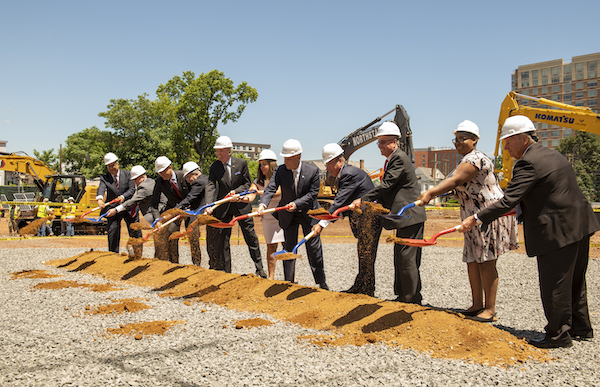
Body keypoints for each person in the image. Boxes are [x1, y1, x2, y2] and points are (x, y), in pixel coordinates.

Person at [459, 115, 600, 348]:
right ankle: (581, 328)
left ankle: (558, 336)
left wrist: (475, 218)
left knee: (554, 284)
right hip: (581, 224)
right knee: (575, 280)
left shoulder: (527, 163)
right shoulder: (552, 154)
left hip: (558, 230)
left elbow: (509, 200)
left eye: (508, 141)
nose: (506, 147)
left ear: (523, 138)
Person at [417, 120, 518, 322]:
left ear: (474, 140)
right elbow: (459, 187)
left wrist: (431, 192)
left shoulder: (476, 159)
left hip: (486, 216)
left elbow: (454, 181)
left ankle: (490, 310)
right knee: (473, 260)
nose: (458, 143)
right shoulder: (465, 160)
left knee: (486, 261)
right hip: (471, 218)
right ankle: (476, 305)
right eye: (456, 139)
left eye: (462, 139)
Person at [352, 122, 426, 304]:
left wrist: (363, 199)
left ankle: (410, 298)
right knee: (402, 256)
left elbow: (387, 185)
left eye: (383, 143)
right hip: (405, 216)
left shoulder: (398, 158)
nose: (380, 147)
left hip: (410, 215)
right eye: (379, 143)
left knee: (406, 257)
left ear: (394, 142)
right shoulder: (393, 159)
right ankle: (406, 294)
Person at [257, 139, 329, 289]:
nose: (286, 162)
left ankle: (321, 282)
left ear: (298, 157)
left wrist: (296, 204)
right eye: (284, 158)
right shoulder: (281, 170)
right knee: (289, 248)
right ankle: (288, 282)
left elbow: (312, 194)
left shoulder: (312, 171)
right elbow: (270, 188)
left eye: (289, 159)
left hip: (309, 213)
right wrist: (263, 204)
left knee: (314, 249)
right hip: (289, 216)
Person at [312, 143, 381, 296]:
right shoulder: (344, 174)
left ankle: (367, 291)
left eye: (329, 164)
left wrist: (321, 224)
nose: (327, 168)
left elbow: (339, 203)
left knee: (367, 253)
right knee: (363, 252)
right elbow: (343, 205)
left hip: (368, 218)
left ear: (340, 161)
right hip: (361, 217)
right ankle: (361, 285)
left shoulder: (349, 174)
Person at [205, 136, 266, 277]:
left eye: (221, 150)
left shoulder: (241, 163)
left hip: (241, 206)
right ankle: (227, 272)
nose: (218, 153)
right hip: (223, 207)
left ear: (228, 150)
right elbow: (210, 185)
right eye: (217, 151)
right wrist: (209, 204)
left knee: (250, 236)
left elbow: (246, 184)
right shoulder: (214, 167)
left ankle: (259, 268)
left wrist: (236, 192)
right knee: (224, 239)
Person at [150, 156, 204, 265]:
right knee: (171, 234)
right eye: (159, 172)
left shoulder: (184, 175)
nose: (161, 175)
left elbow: (194, 193)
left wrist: (191, 207)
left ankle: (197, 264)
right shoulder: (160, 182)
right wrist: (158, 219)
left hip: (190, 209)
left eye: (163, 172)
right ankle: (173, 263)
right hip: (174, 210)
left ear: (170, 167)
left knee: (193, 234)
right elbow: (154, 203)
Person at [247, 149, 285, 280]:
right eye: (261, 164)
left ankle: (291, 276)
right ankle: (271, 277)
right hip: (268, 218)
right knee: (271, 247)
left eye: (265, 164)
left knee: (286, 245)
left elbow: (278, 192)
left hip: (282, 215)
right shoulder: (259, 180)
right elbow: (251, 196)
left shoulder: (281, 177)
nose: (262, 167)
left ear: (272, 164)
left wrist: (260, 193)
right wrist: (241, 197)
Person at [96, 152, 142, 253]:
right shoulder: (104, 178)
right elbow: (101, 189)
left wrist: (122, 197)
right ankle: (113, 255)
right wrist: (99, 199)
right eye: (109, 166)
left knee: (135, 231)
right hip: (113, 210)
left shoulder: (128, 174)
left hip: (129, 208)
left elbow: (131, 190)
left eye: (113, 165)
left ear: (118, 164)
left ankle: (138, 254)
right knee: (113, 232)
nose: (111, 168)